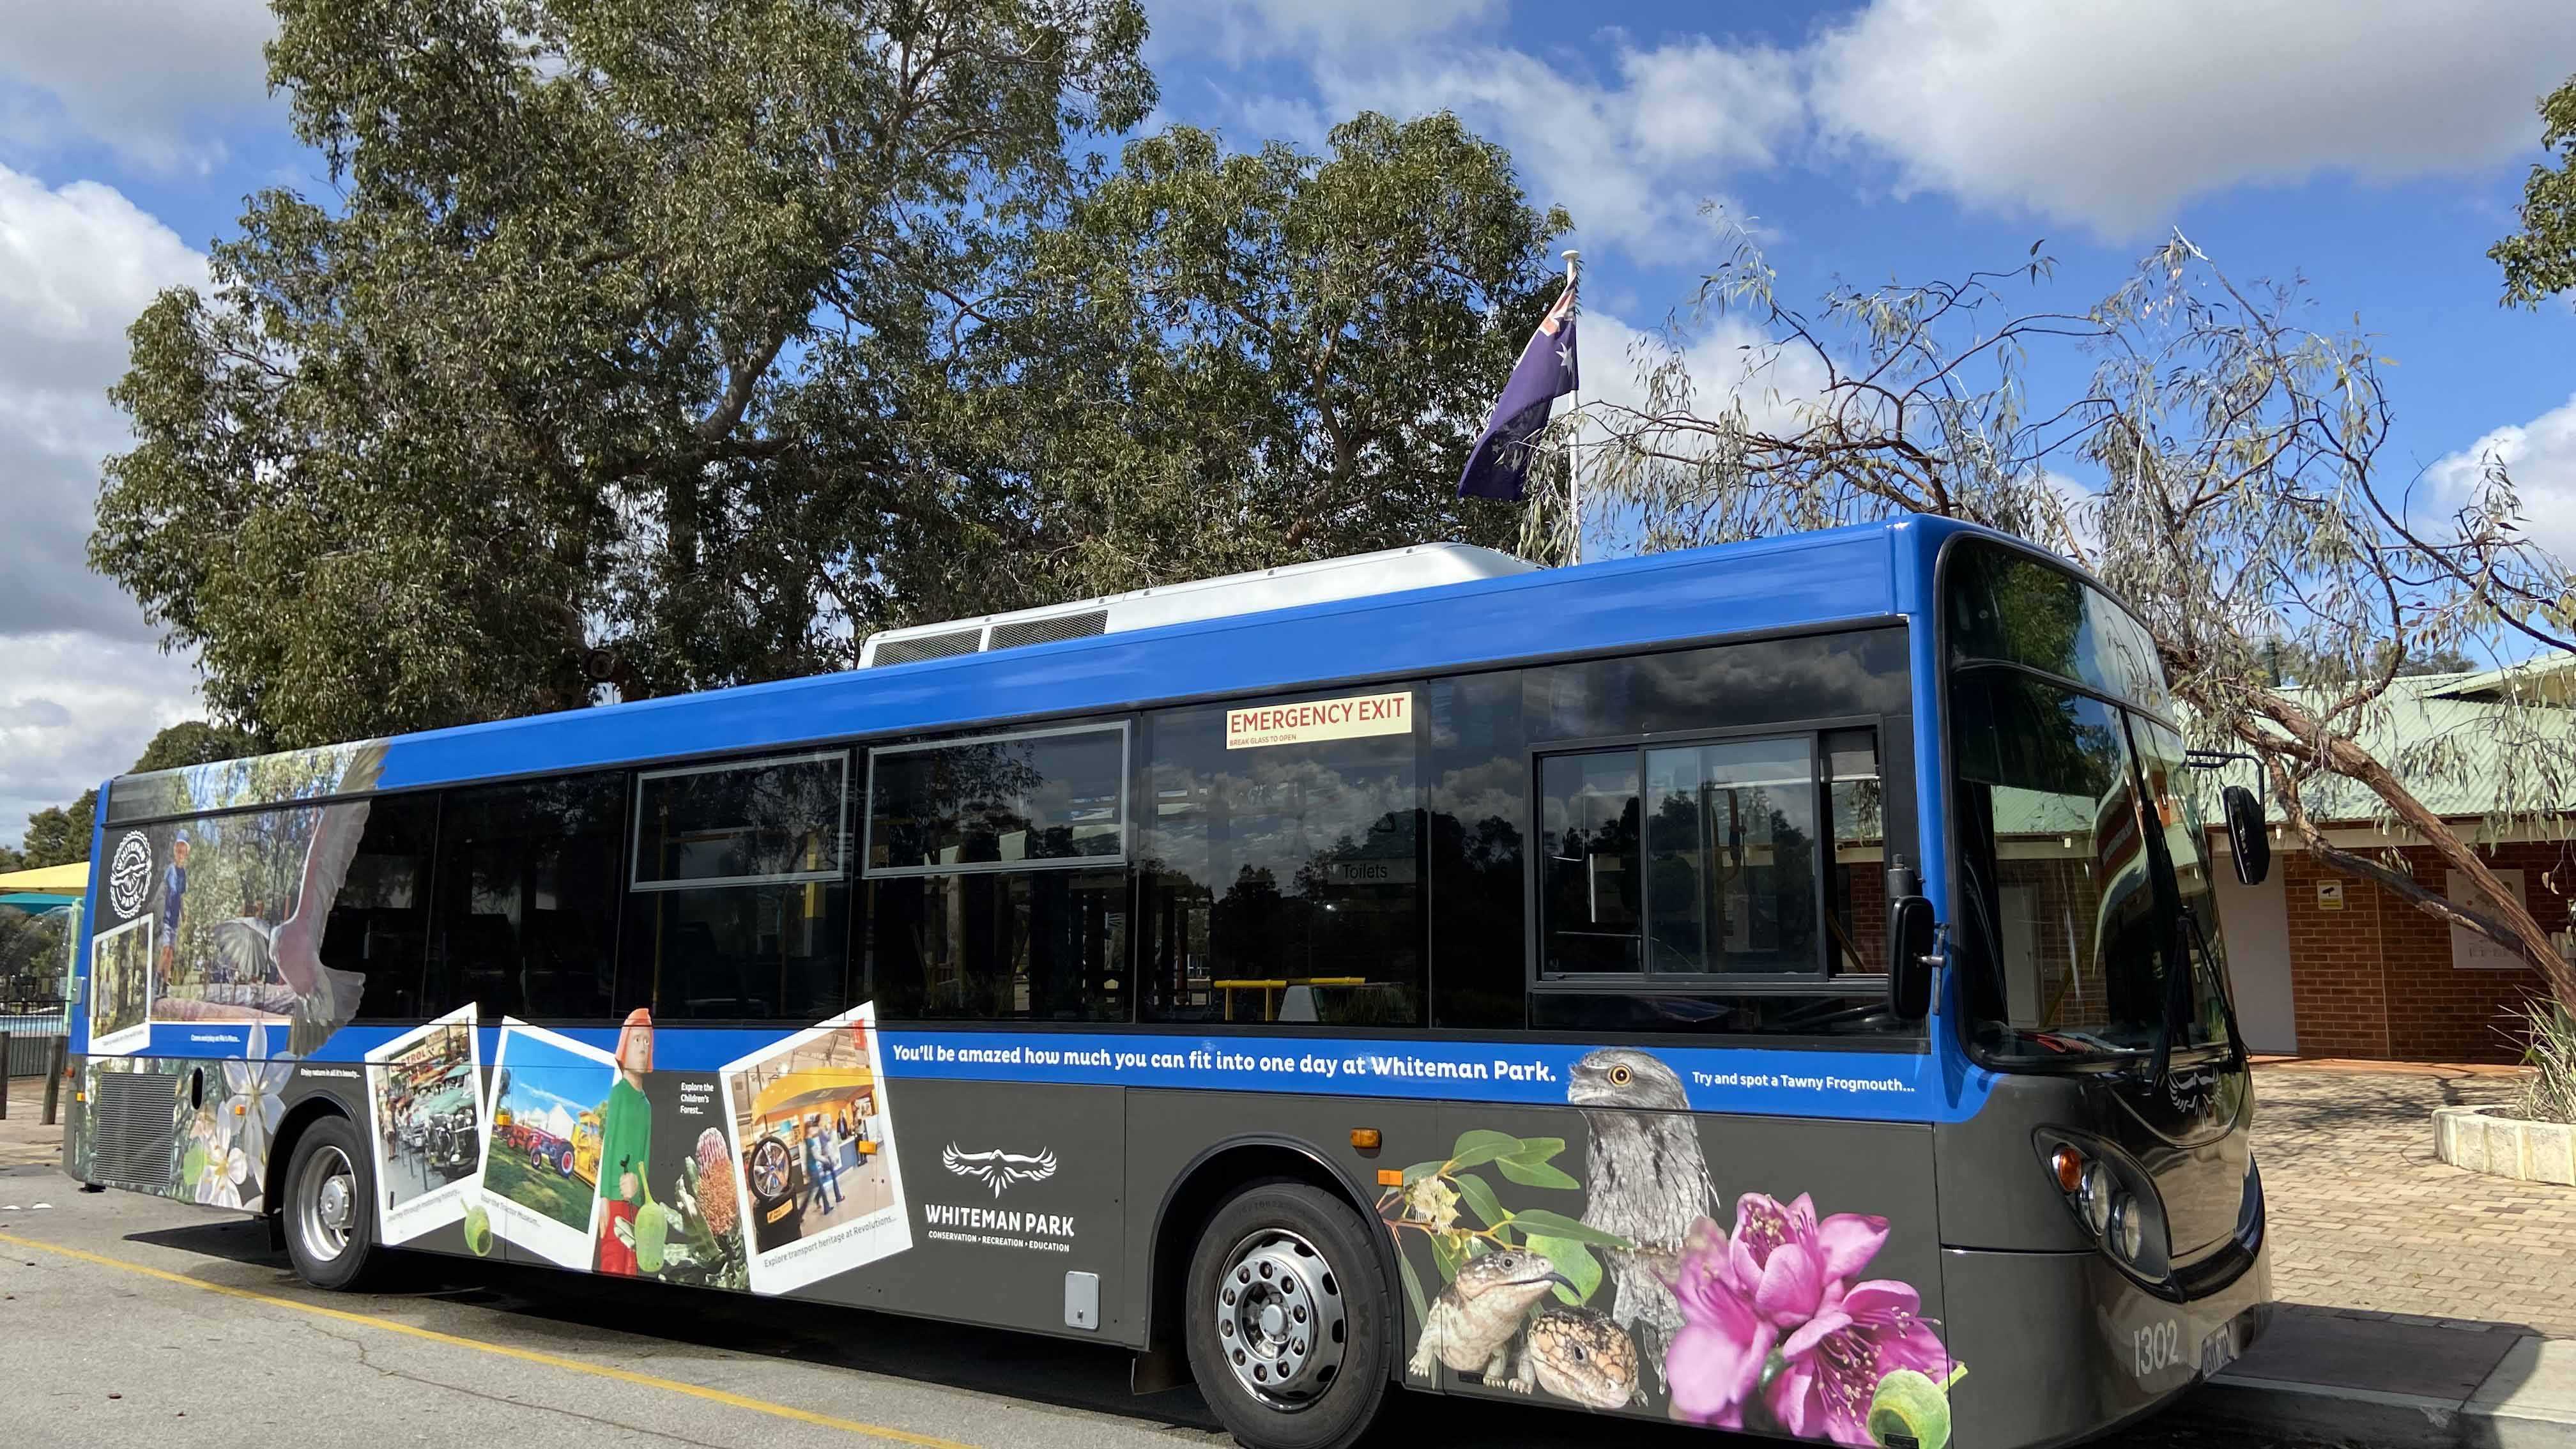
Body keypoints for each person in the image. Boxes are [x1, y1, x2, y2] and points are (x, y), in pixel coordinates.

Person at [593, 1008, 656, 1276]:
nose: (642, 1047)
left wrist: (638, 1185)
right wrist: (605, 1197)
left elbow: (645, 1156)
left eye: (647, 1041)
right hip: (615, 1197)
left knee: (632, 1264)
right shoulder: (618, 1094)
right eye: (637, 1040)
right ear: (624, 1046)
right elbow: (608, 1146)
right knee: (612, 1259)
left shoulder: (647, 1106)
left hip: (636, 1201)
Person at [157, 834, 190, 981]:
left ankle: (165, 982)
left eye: (183, 853)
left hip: (175, 919)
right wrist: (155, 903)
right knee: (165, 949)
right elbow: (163, 888)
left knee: (171, 952)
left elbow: (181, 896)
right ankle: (157, 976)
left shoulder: (183, 874)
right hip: (167, 916)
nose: (180, 855)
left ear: (186, 855)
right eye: (178, 852)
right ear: (175, 852)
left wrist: (183, 914)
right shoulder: (170, 869)